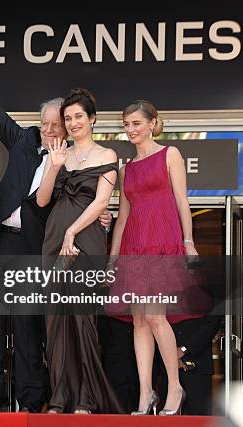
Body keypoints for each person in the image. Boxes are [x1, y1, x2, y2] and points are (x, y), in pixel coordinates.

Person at [0, 55, 111, 412]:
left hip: (31, 247)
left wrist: (103, 220)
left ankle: (29, 401)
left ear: (69, 128)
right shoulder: (24, 140)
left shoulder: (73, 161)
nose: (51, 130)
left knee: (25, 329)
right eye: (46, 124)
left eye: (58, 125)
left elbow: (87, 199)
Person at [108, 100, 202, 416]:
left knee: (155, 315)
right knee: (138, 319)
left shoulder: (170, 154)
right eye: (126, 124)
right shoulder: (126, 169)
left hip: (163, 242)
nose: (131, 129)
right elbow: (122, 218)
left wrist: (188, 241)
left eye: (136, 123)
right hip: (134, 245)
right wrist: (113, 258)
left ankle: (174, 386)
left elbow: (181, 200)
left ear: (152, 123)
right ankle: (146, 393)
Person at [37, 88, 121, 414]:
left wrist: (73, 232)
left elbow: (101, 202)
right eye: (68, 118)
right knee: (56, 323)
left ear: (92, 119)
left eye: (78, 117)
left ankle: (86, 399)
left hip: (85, 241)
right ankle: (59, 398)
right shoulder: (58, 154)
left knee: (83, 321)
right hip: (54, 239)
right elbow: (43, 200)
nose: (72, 123)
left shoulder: (107, 155)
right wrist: (55, 167)